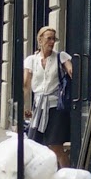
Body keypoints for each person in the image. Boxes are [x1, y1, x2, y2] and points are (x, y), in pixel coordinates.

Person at [24, 26, 74, 167]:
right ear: (40, 40)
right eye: (48, 38)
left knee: (56, 147)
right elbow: (26, 85)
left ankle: (66, 177)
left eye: (54, 39)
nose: (52, 42)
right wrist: (24, 107)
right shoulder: (31, 60)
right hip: (39, 107)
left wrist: (71, 70)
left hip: (55, 107)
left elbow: (71, 70)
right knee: (34, 146)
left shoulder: (60, 56)